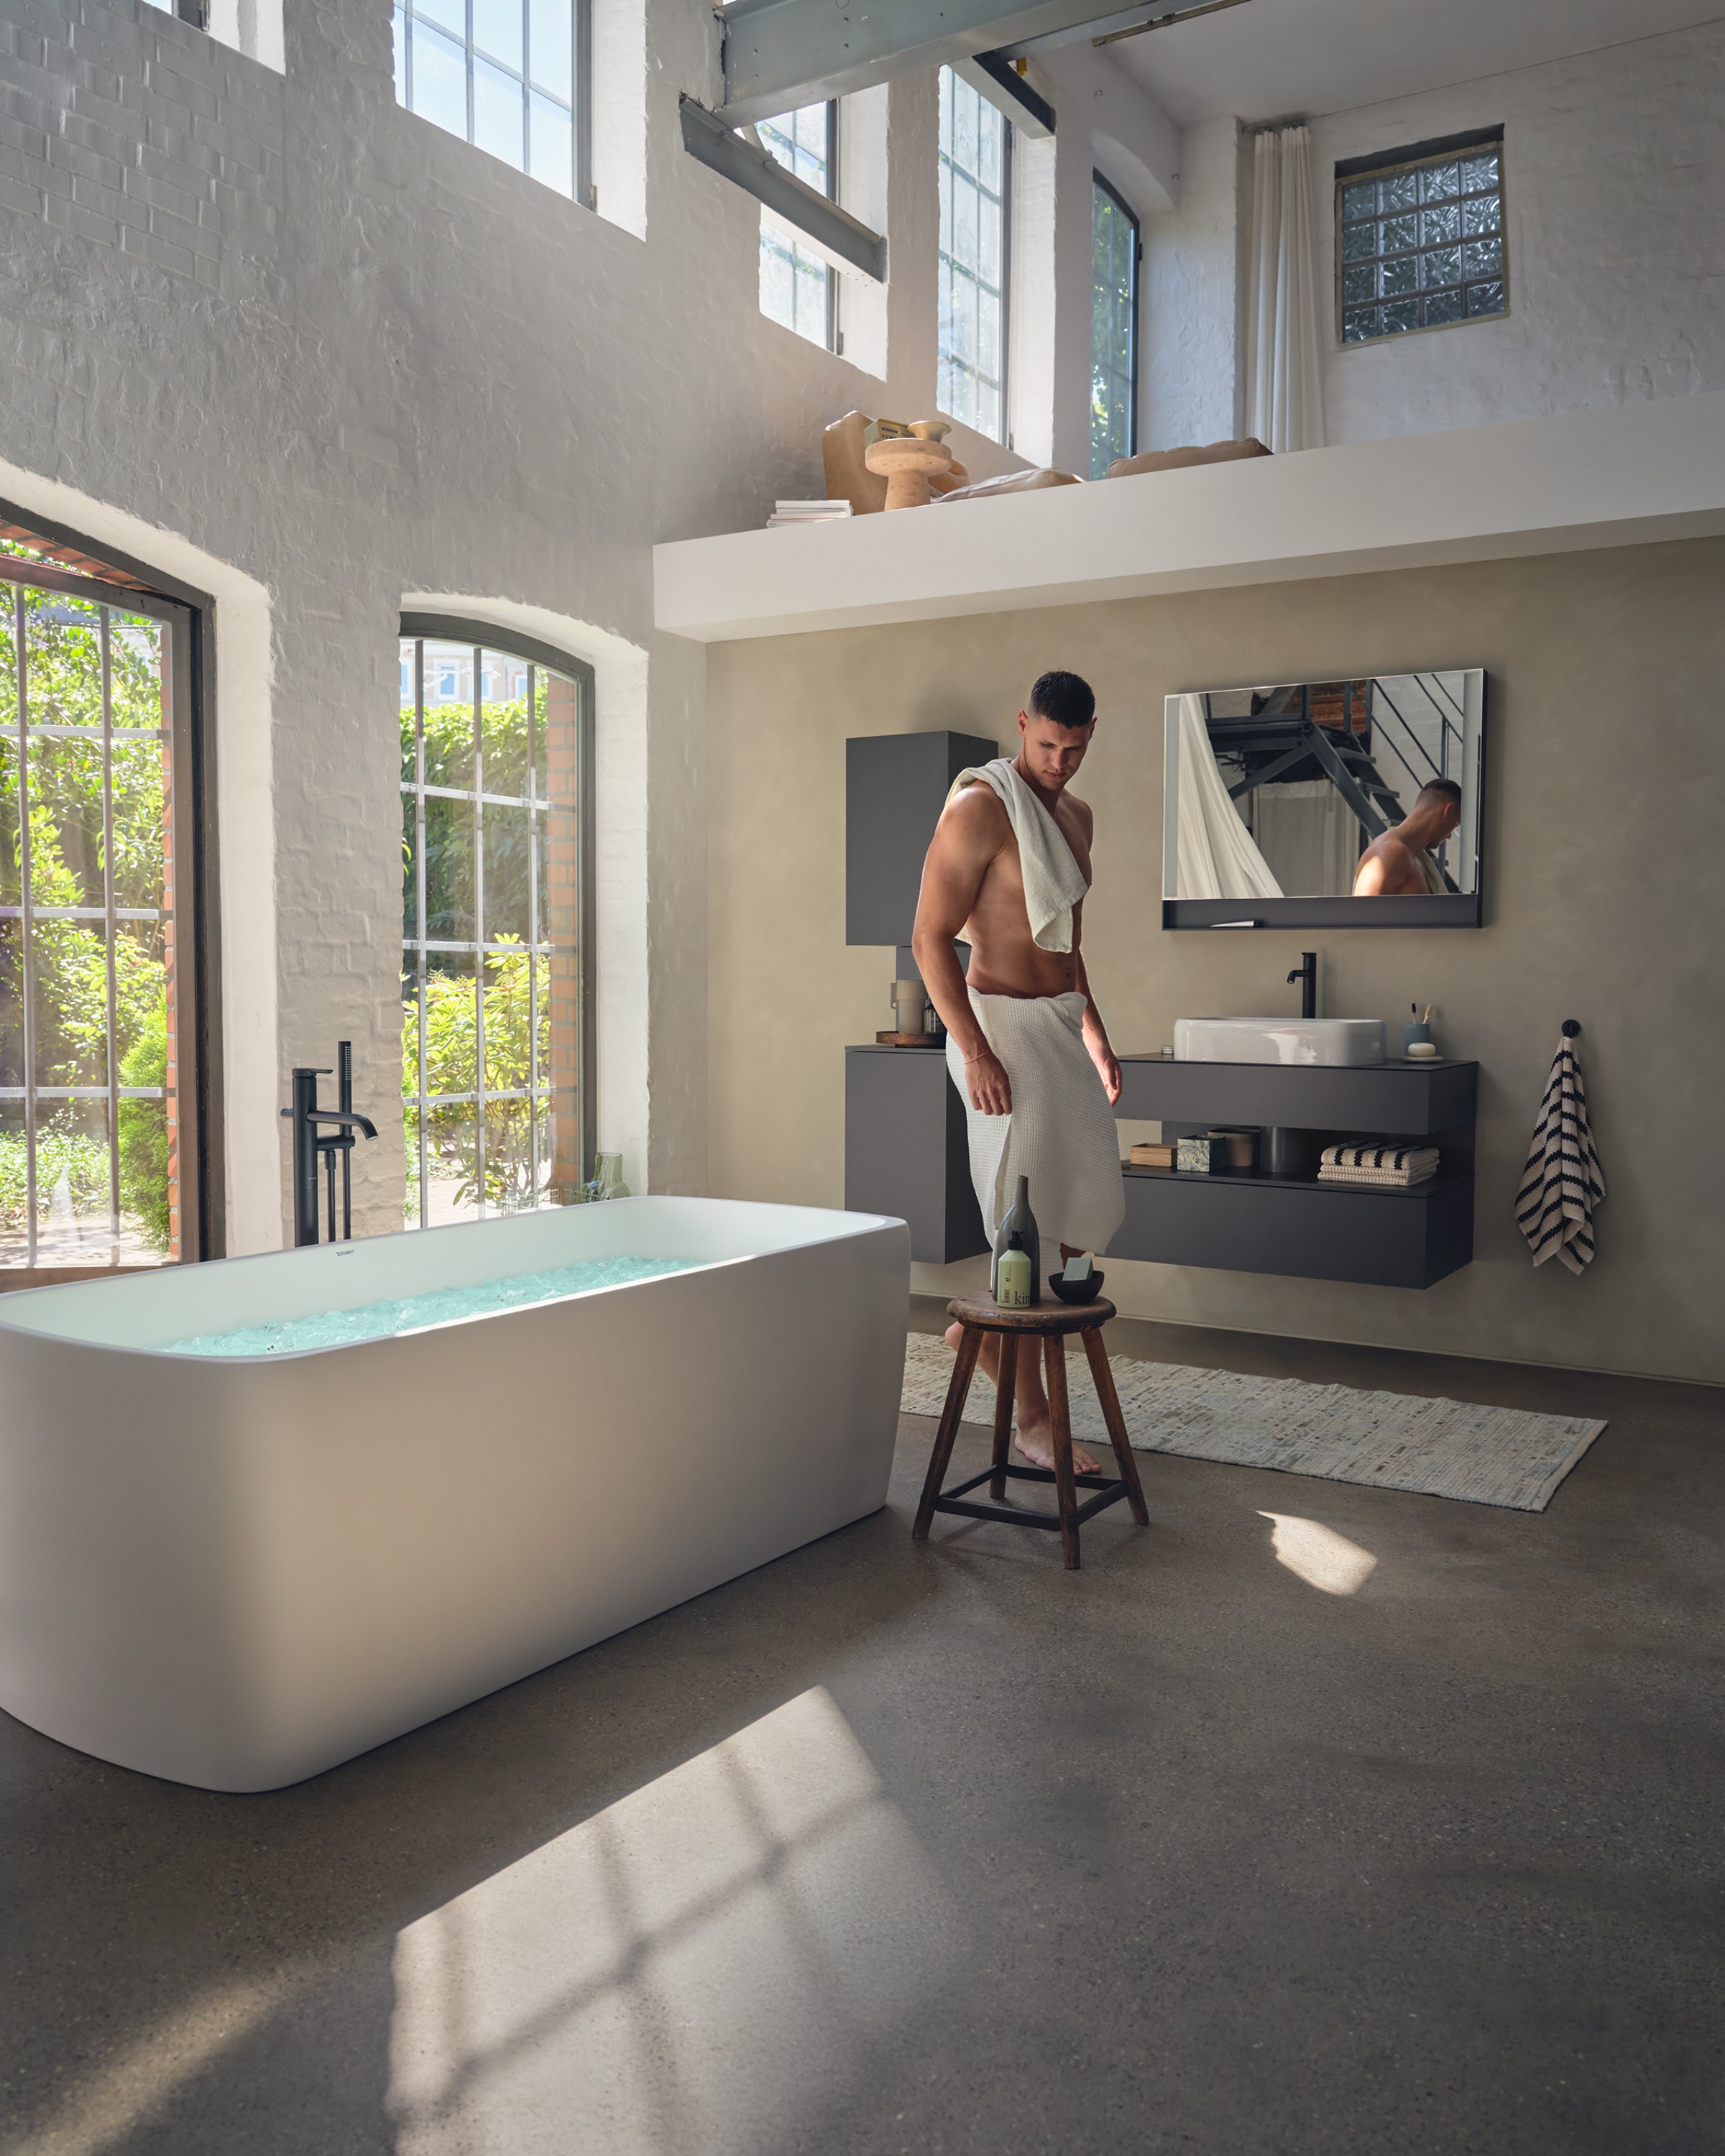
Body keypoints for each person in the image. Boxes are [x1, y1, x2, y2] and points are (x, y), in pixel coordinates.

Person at [911, 671, 1126, 1473]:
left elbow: (1069, 945)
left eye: (1074, 749)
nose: (1060, 763)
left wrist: (1097, 1035)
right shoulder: (981, 809)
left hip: (1060, 1026)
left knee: (1081, 1204)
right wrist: (974, 1050)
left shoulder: (1076, 816)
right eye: (1045, 745)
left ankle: (977, 1337)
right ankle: (1033, 1420)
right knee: (1021, 1222)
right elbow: (929, 939)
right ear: (1023, 725)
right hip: (997, 1026)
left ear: (1091, 733)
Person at [1351, 778, 1463, 895]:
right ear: (1448, 810)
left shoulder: (1417, 859)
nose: (1450, 835)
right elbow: (1363, 913)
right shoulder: (1390, 853)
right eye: (1455, 824)